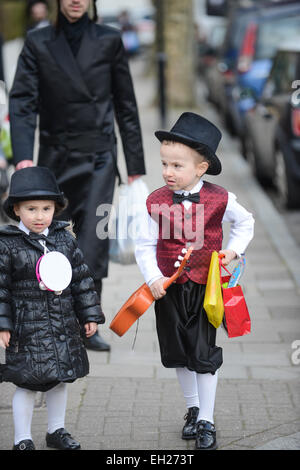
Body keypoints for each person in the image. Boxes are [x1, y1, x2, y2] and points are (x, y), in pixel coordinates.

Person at [9, 0, 146, 351]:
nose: (75, 0)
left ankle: (88, 321)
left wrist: (135, 167)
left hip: (100, 156)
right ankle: (54, 321)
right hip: (55, 155)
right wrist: (23, 157)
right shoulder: (38, 42)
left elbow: (126, 104)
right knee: (51, 238)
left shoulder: (109, 39)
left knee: (94, 239)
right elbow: (22, 100)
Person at [134, 112, 254, 450]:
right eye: (165, 164)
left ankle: (207, 420)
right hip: (169, 290)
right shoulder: (155, 201)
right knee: (178, 351)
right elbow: (144, 244)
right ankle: (192, 408)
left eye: (177, 166)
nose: (168, 172)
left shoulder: (220, 198)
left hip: (206, 288)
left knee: (203, 352)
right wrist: (154, 278)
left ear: (201, 168)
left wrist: (233, 250)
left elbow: (246, 223)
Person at [0, 166, 105, 450]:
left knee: (60, 378)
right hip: (27, 326)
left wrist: (89, 314)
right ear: (17, 209)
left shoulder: (63, 239)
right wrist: (4, 324)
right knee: (26, 382)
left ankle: (56, 430)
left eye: (46, 208)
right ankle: (22, 438)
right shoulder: (7, 244)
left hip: (61, 323)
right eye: (31, 208)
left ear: (56, 208)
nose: (39, 216)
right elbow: (1, 289)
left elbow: (82, 279)